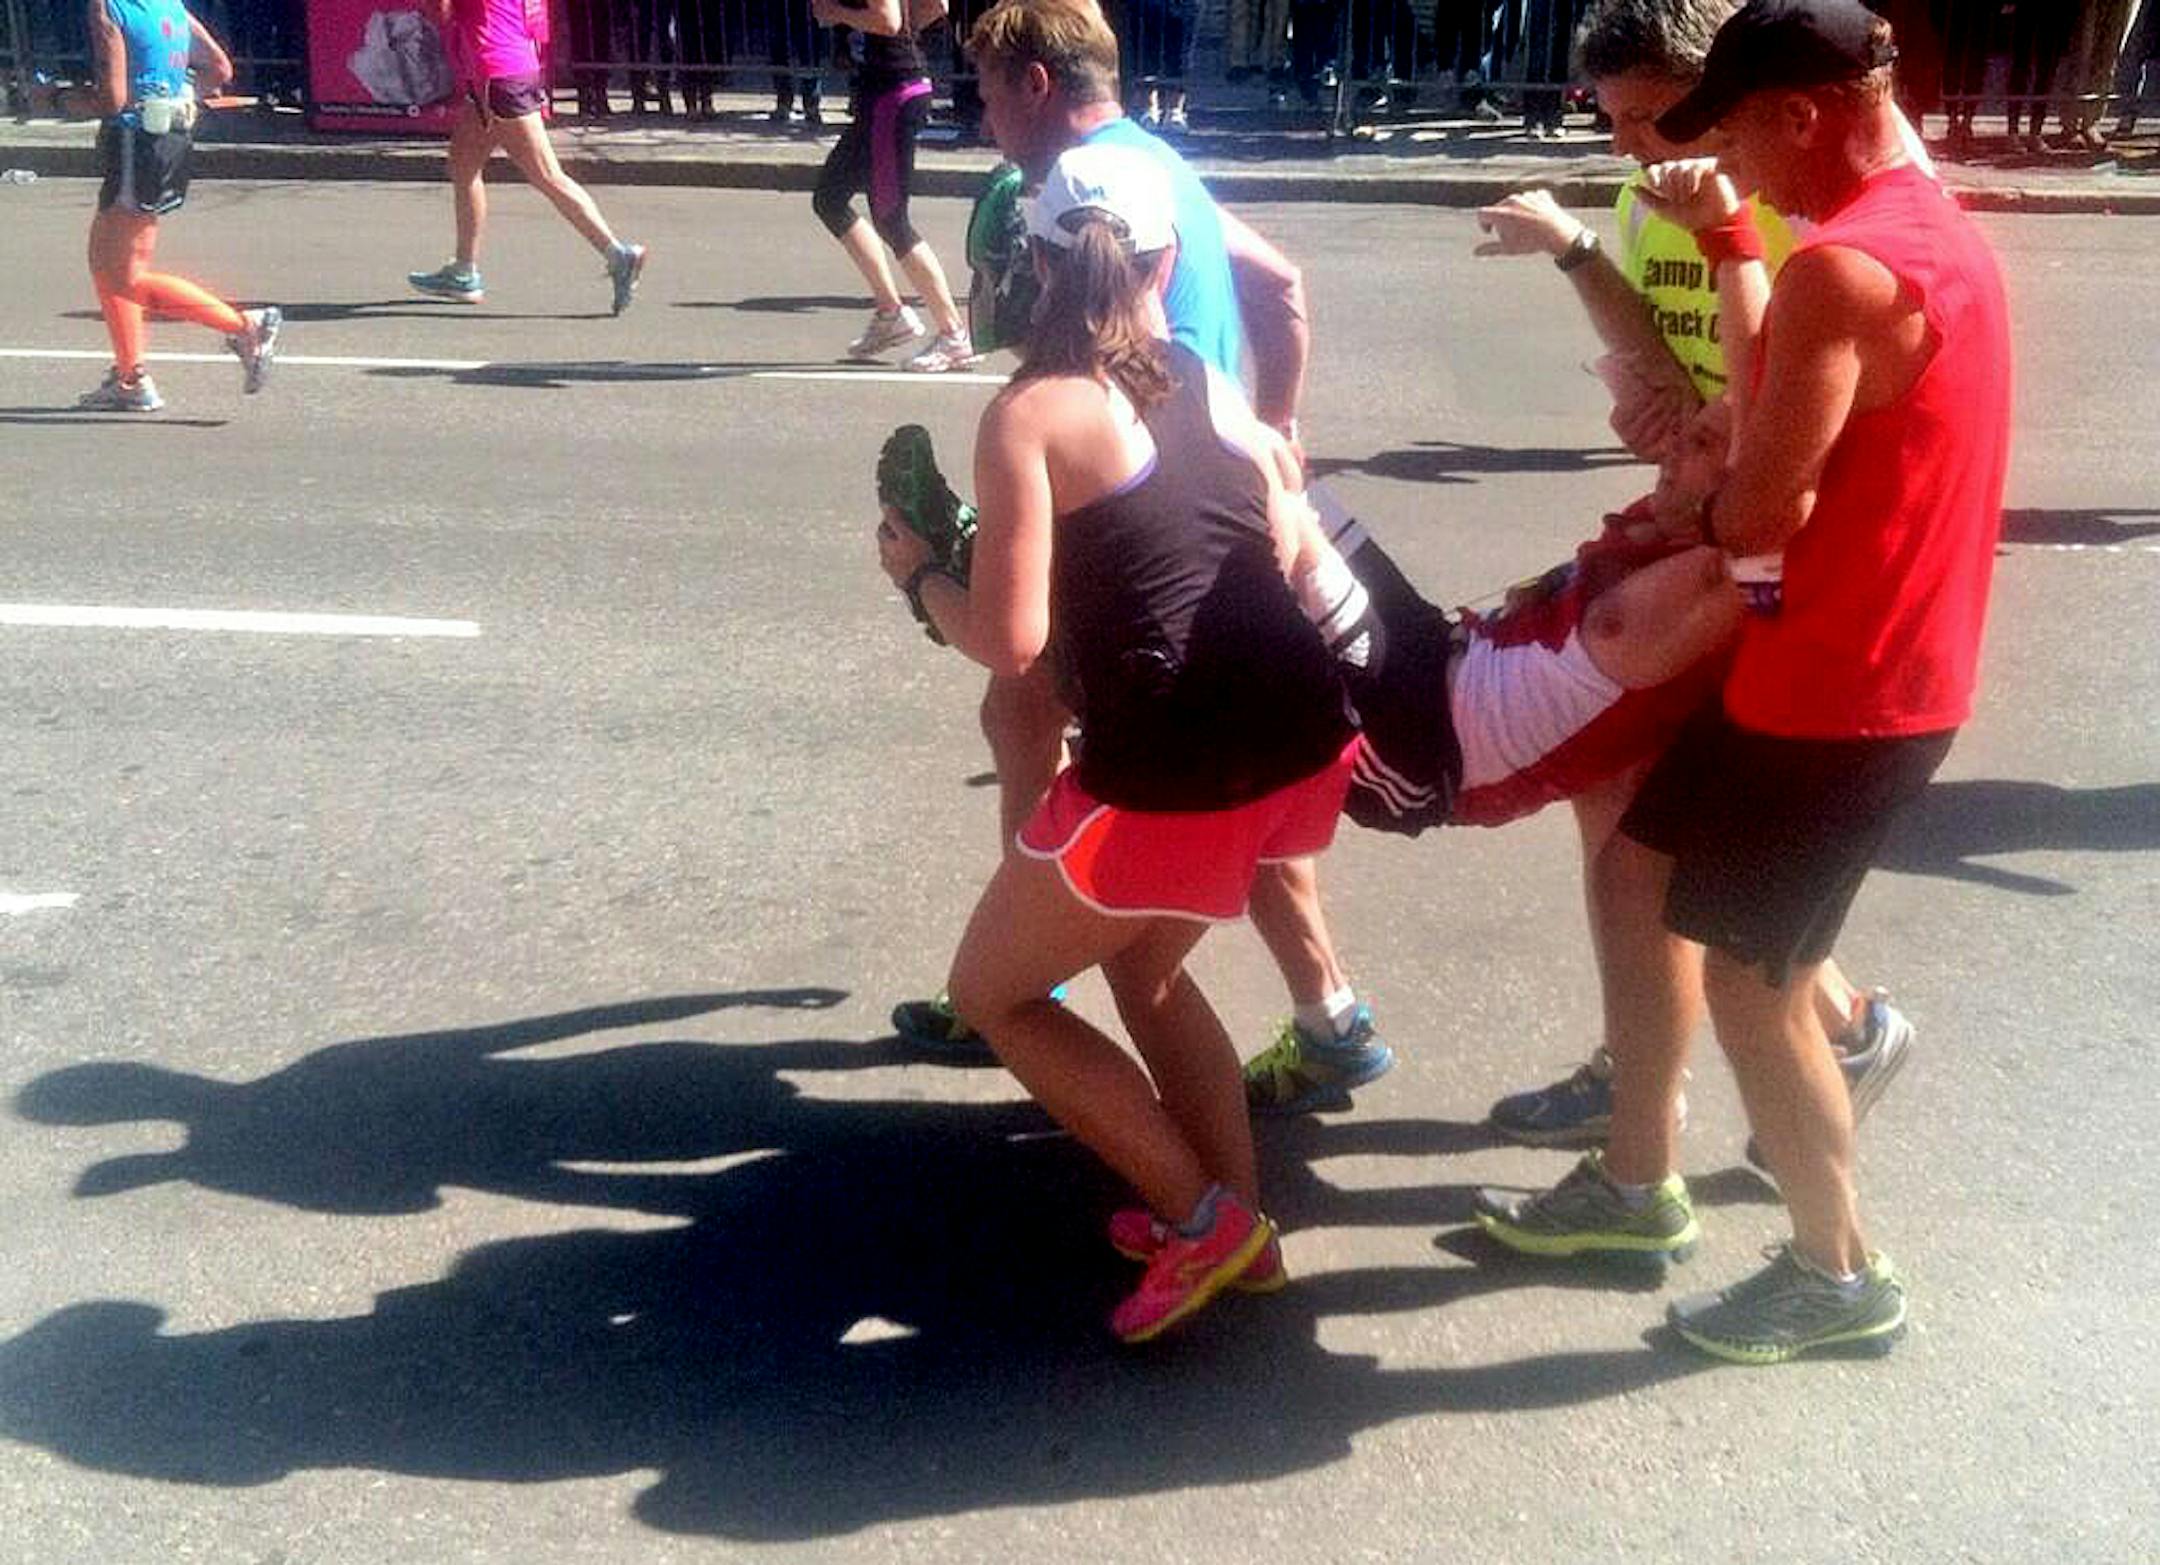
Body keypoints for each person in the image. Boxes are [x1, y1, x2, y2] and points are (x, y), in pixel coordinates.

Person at [1574, 0, 2009, 1362]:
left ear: (1802, 115)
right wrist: (1726, 272)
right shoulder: (1933, 230)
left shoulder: (1840, 267)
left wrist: (1693, 504)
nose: (1733, 168)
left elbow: (1765, 504)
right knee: (1641, 860)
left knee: (1759, 984)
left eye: (1738, 138)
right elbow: (1786, 430)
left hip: (1843, 687)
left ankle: (1838, 1270)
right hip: (1844, 662)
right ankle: (1642, 1167)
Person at [876, 143, 1359, 1343]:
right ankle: (1239, 1221)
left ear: (1031, 264)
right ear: (1168, 261)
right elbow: (1274, 536)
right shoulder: (1202, 372)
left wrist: (922, 571)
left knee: (996, 993)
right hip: (1300, 741)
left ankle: (1202, 1219)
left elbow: (1008, 641)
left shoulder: (1030, 413)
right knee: (1146, 971)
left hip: (1170, 773)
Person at [890, 0, 1391, 1123]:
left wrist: (927, 576)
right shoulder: (1164, 165)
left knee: (1070, 728)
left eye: (986, 89)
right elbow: (1283, 285)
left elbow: (1010, 632)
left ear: (1034, 84)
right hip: (1211, 489)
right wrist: (1274, 435)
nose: (981, 113)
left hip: (1124, 503)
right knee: (1228, 762)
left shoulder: (1063, 190)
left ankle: (1027, 966)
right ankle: (1327, 1014)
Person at [1469, 0, 1913, 1183]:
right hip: (1707, 509)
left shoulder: (1788, 194)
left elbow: (1799, 398)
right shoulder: (1655, 192)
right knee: (1628, 813)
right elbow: (1674, 358)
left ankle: (1658, 1099)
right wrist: (1653, 395)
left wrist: (1719, 462)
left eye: (1648, 118)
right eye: (1611, 120)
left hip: (1761, 541)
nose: (1627, 145)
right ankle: (1711, 1055)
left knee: (1643, 834)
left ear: (1718, 98)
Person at [59, 0, 280, 412]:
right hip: (167, 141)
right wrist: (174, 96)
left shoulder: (108, 8)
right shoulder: (170, 6)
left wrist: (60, 100)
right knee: (107, 264)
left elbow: (112, 99)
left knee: (123, 274)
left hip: (134, 143)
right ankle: (130, 377)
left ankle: (245, 326)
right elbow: (219, 70)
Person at [406, 0, 650, 313]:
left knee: (547, 175)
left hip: (496, 74)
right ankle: (463, 272)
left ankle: (617, 254)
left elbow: (440, 11)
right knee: (463, 165)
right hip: (511, 66)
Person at [810, 0, 976, 370]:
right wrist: (906, 31)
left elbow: (887, 20)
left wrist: (838, 14)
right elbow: (939, 5)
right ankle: (891, 312)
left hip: (893, 94)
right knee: (830, 199)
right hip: (885, 91)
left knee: (891, 218)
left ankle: (954, 334)